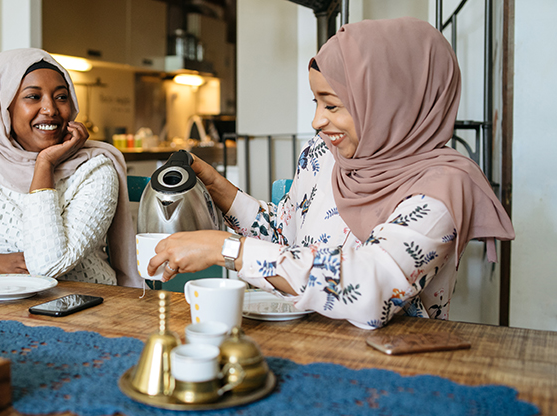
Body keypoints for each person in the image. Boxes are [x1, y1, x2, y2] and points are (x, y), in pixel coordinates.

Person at [148, 17, 514, 329]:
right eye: (317, 102)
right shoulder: (325, 154)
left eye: (333, 104)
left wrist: (226, 250)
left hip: (395, 373)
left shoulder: (445, 187)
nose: (317, 120)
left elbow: (371, 287)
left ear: (388, 100)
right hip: (306, 344)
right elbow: (287, 240)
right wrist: (220, 189)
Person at [0, 48, 141, 287]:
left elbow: (47, 266)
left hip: (86, 307)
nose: (50, 109)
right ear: (3, 107)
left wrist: (44, 165)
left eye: (61, 97)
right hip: (3, 301)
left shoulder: (95, 169)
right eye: (33, 97)